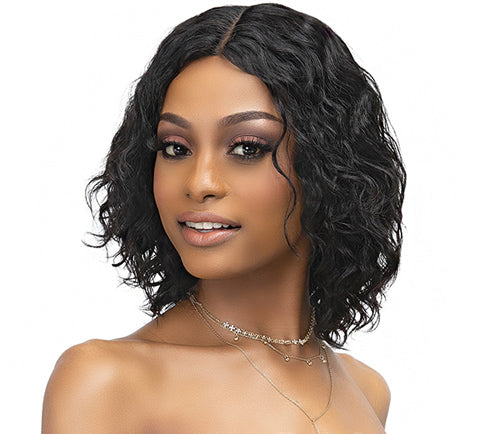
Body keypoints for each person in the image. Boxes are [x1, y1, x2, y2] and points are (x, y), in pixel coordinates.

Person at [42, 3, 405, 433]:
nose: (199, 183)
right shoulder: (107, 382)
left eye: (247, 148)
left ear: (329, 165)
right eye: (175, 148)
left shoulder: (366, 389)